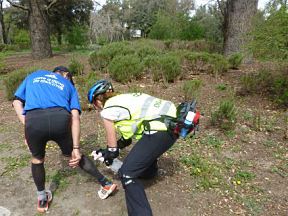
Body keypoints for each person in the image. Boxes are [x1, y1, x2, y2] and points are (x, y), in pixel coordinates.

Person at [12, 67, 117, 213]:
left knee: (37, 160)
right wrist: (76, 148)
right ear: (66, 75)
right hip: (60, 119)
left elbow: (17, 102)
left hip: (33, 120)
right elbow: (75, 117)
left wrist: (28, 125)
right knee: (75, 156)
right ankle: (105, 183)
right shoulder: (68, 85)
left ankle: (42, 199)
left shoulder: (34, 75)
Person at [87, 79, 179, 216]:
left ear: (98, 101)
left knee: (127, 173)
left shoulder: (107, 110)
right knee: (143, 152)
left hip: (160, 131)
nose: (96, 108)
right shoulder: (124, 99)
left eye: (94, 104)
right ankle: (149, 172)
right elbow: (126, 139)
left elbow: (112, 150)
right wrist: (113, 149)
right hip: (174, 126)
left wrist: (107, 154)